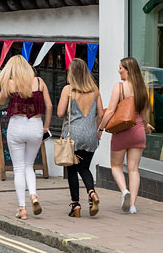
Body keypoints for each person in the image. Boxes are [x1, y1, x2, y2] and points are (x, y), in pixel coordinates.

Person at [0, 54, 52, 221]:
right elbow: (49, 105)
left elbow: (1, 100)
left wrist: (6, 87)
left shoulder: (10, 83)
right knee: (29, 165)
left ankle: (22, 208)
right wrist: (46, 126)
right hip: (36, 126)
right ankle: (33, 195)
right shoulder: (39, 82)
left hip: (17, 125)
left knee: (18, 168)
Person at [97, 57, 154, 214]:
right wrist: (146, 125)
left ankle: (124, 191)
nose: (119, 70)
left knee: (116, 166)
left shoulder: (120, 87)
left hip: (122, 131)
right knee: (134, 169)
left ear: (128, 70)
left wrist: (101, 128)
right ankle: (133, 205)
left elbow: (110, 112)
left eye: (121, 68)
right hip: (138, 131)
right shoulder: (142, 88)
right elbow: (143, 114)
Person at [57, 58, 104, 218]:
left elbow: (60, 113)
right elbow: (101, 114)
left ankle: (76, 205)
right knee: (84, 168)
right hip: (91, 135)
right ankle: (92, 192)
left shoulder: (68, 90)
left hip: (73, 136)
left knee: (71, 170)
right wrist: (98, 130)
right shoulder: (94, 90)